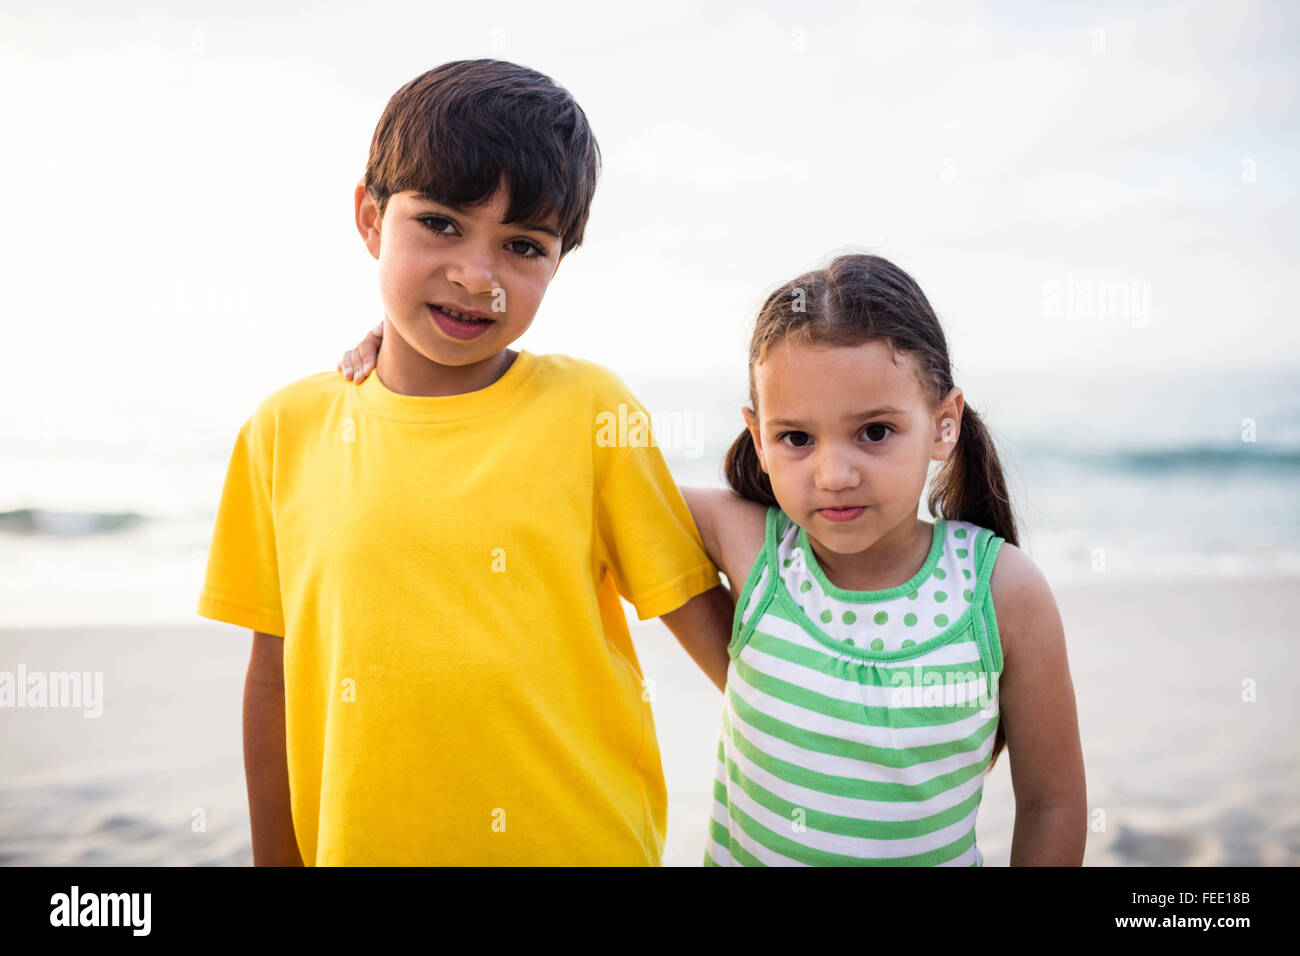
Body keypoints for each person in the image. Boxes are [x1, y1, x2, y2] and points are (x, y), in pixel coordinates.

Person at [198, 59, 735, 866]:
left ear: (559, 262)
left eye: (523, 245)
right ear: (371, 219)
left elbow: (714, 638)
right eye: (442, 223)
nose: (476, 276)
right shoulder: (284, 431)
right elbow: (272, 682)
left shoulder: (591, 409)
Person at [683, 253, 1085, 865]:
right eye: (796, 437)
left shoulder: (1001, 592)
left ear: (943, 424)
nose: (835, 475)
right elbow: (601, 494)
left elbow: (1051, 805)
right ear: (759, 437)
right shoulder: (754, 551)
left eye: (874, 431)